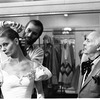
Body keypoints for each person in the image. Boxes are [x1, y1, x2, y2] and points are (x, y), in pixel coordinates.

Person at [0, 20, 52, 98]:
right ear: (24, 29)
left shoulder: (38, 51)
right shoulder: (6, 48)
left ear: (38, 36)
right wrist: (6, 23)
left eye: (34, 34)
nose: (30, 35)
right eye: (29, 30)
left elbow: (32, 71)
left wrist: (22, 49)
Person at [78, 29, 100, 98]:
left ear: (98, 47)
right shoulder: (85, 62)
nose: (84, 43)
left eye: (88, 41)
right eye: (85, 40)